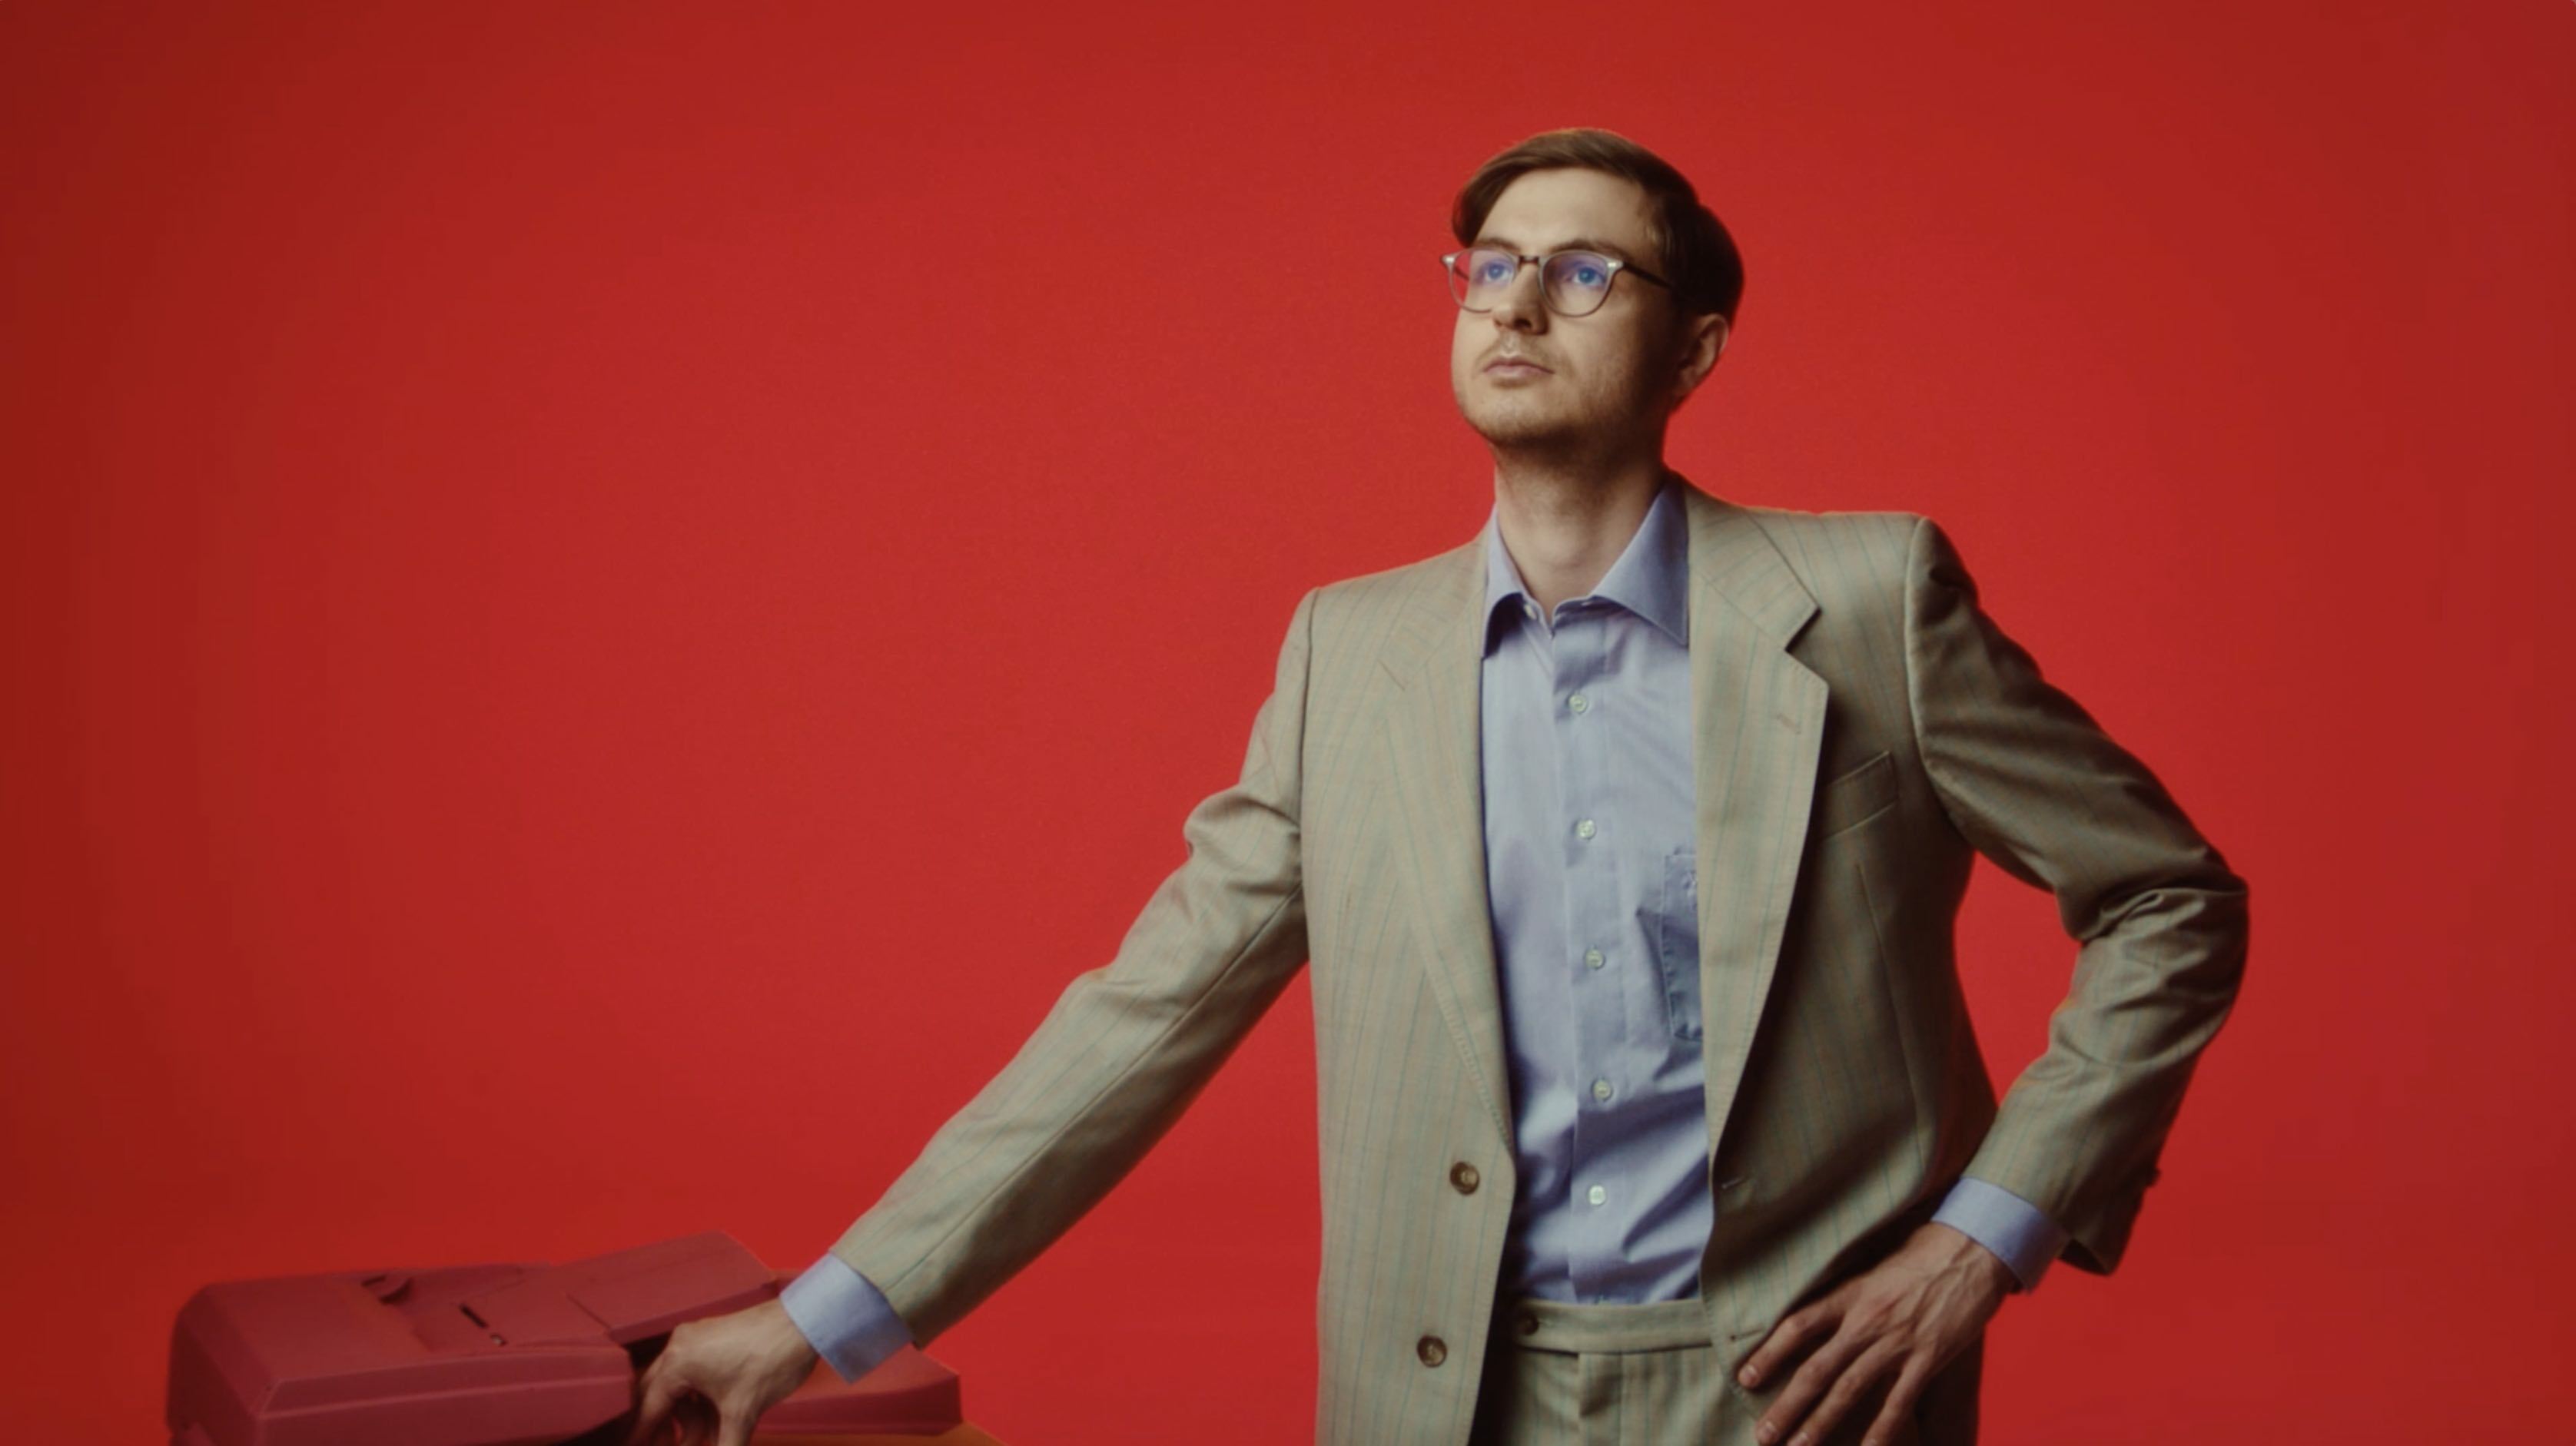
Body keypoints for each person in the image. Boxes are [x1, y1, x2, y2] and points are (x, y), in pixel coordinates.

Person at [625, 127, 2250, 1446]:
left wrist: (1984, 1233)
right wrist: (818, 1313)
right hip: (1446, 1387)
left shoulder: (1868, 603)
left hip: (1797, 1386)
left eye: (1580, 268)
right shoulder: (1352, 655)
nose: (1514, 302)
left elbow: (2166, 895)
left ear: (1693, 346)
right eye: (1486, 263)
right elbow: (1142, 1016)